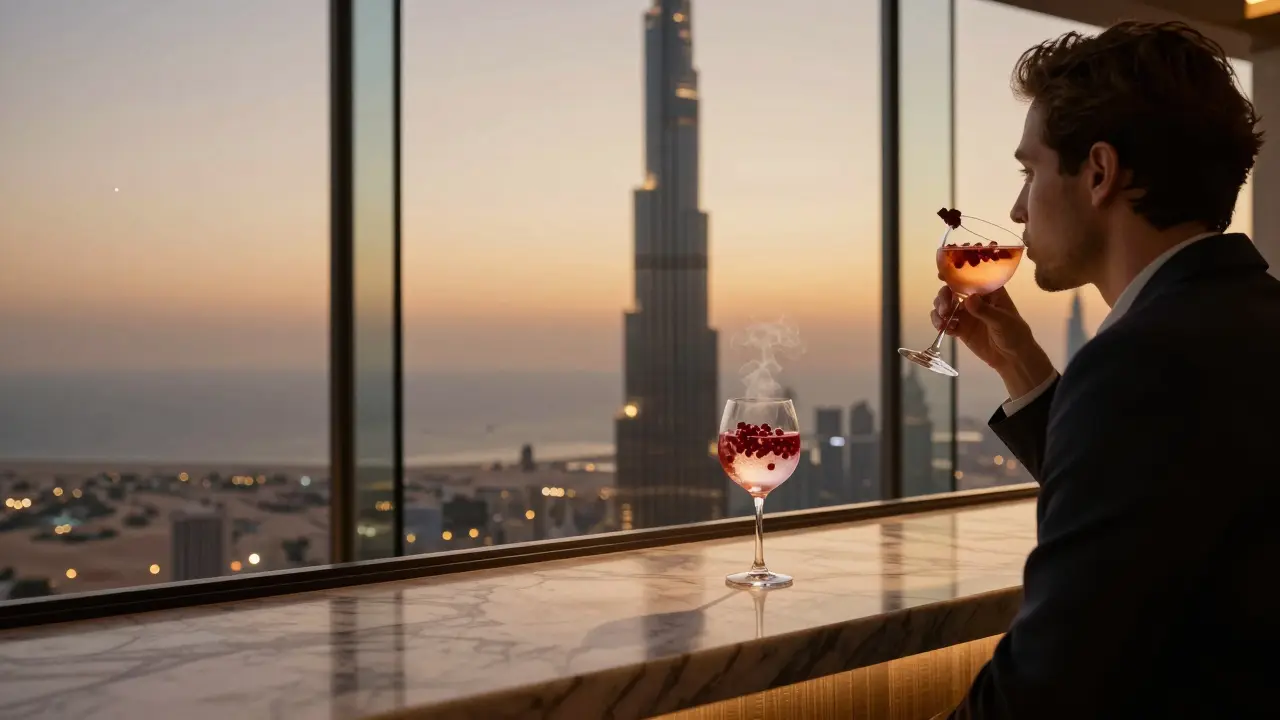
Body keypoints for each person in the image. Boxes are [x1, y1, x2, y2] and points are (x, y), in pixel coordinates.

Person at [936, 21, 1277, 718]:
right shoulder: (1248, 320)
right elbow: (1164, 498)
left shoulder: (1139, 364)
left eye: (1030, 172)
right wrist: (1023, 366)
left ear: (1098, 172)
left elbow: (1048, 684)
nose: (1017, 209)